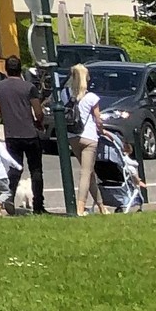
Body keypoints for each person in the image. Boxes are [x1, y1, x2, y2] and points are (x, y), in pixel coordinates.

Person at [0, 55, 48, 213]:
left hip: (11, 134)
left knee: (14, 169)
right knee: (36, 170)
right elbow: (38, 111)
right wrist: (38, 122)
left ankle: (9, 197)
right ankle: (38, 205)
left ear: (6, 69)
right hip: (30, 133)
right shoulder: (29, 87)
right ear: (20, 69)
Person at [71, 63, 103, 214]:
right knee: (86, 173)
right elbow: (98, 119)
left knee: (89, 173)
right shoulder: (91, 97)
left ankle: (102, 207)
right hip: (89, 136)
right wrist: (102, 131)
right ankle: (80, 208)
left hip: (73, 136)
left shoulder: (66, 95)